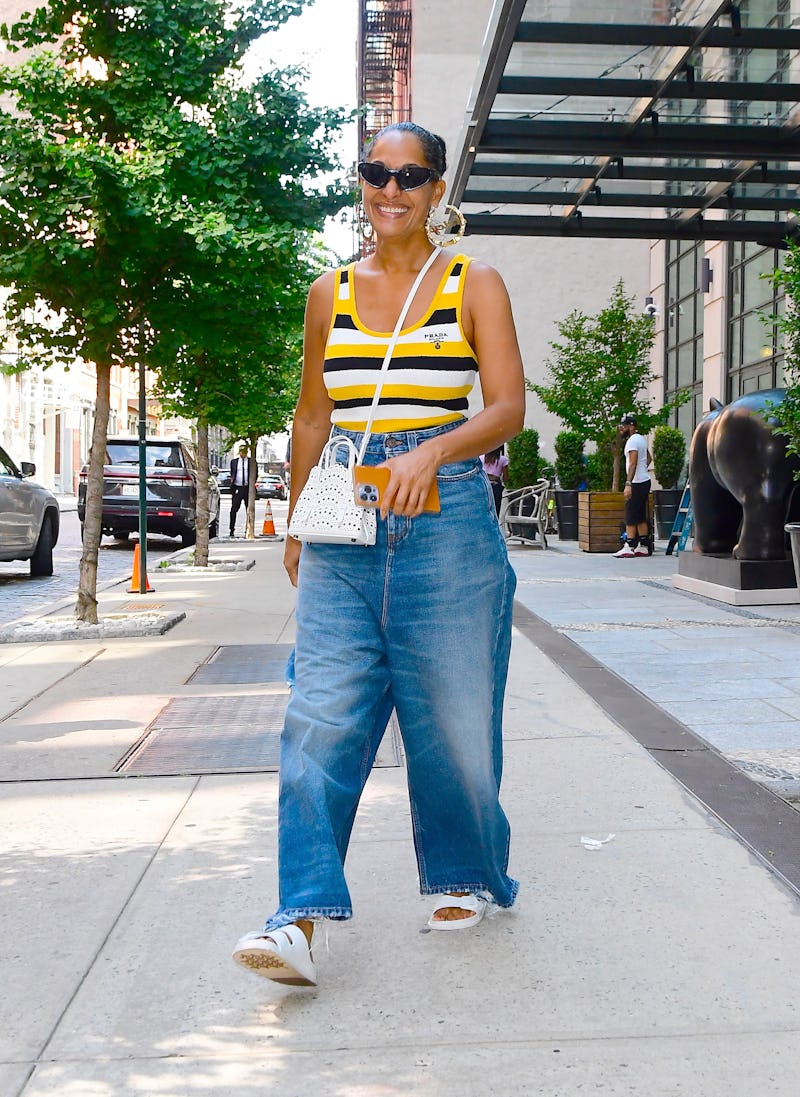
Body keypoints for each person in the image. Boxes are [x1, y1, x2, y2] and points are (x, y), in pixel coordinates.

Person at [232, 120, 525, 988]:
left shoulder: (475, 283)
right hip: (344, 521)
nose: (389, 189)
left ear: (438, 190)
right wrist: (295, 518)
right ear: (361, 182)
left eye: (410, 175)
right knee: (318, 713)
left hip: (447, 523)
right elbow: (315, 415)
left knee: (456, 716)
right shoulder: (329, 292)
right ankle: (299, 915)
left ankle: (465, 869)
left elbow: (507, 406)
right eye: (375, 172)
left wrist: (433, 449)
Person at [615, 413, 652, 558]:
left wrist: (628, 483)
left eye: (623, 426)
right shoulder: (641, 439)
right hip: (645, 481)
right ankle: (643, 546)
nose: (621, 429)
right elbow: (649, 458)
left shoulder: (631, 442)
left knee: (630, 514)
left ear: (631, 427)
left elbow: (633, 463)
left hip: (636, 482)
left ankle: (629, 546)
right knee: (640, 515)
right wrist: (643, 471)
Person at [229, 443, 251, 538]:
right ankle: (231, 529)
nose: (243, 454)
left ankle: (248, 529)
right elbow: (232, 473)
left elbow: (255, 473)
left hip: (247, 488)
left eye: (244, 453)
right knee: (234, 509)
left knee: (249, 510)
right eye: (241, 452)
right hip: (237, 488)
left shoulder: (251, 462)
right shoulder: (234, 462)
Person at [481, 445, 509, 515]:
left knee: (484, 508)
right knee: (496, 508)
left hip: (483, 486)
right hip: (495, 487)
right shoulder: (503, 459)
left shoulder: (481, 458)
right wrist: (497, 478)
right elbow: (506, 478)